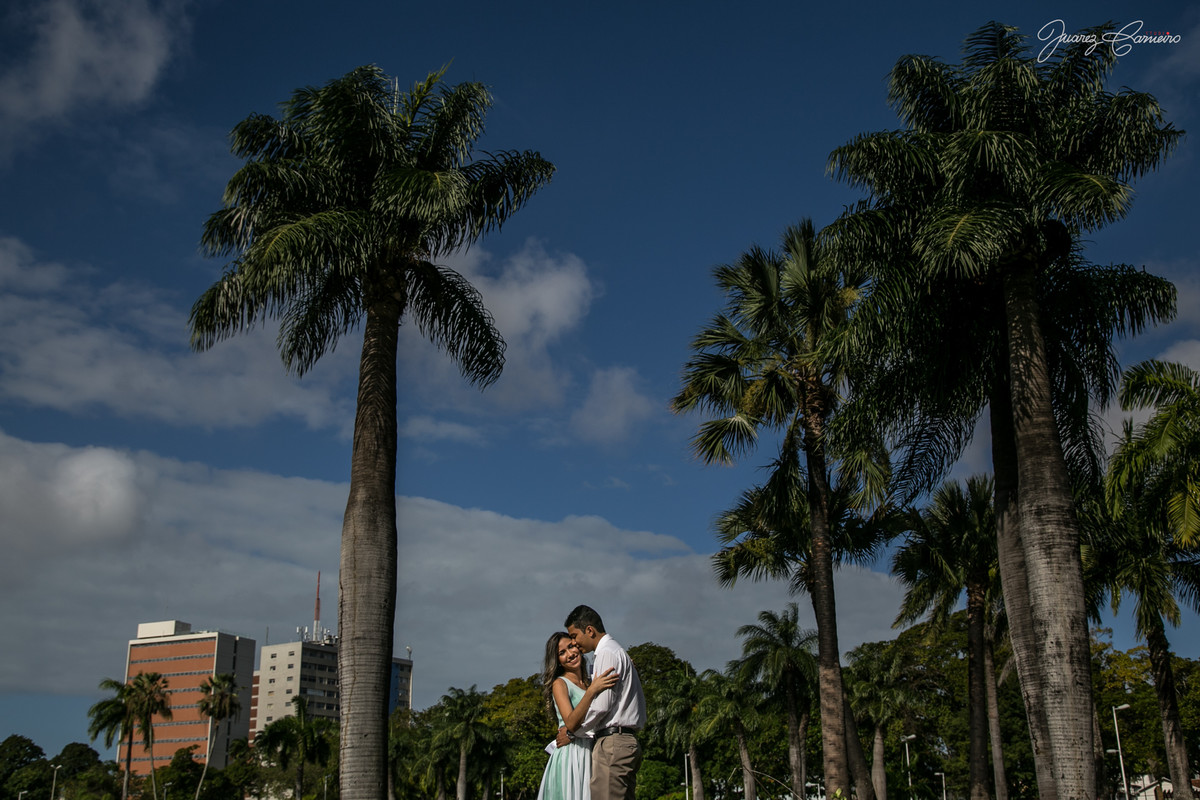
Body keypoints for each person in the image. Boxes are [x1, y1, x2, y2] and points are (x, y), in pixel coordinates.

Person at [561, 605, 646, 800]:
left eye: (574, 636)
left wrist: (574, 733)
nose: (574, 643)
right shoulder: (614, 651)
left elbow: (601, 706)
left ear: (589, 630)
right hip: (622, 741)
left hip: (613, 744)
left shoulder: (607, 653)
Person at [537, 631, 619, 800]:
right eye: (562, 653)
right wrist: (591, 691)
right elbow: (570, 721)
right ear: (557, 661)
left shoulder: (591, 680)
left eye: (571, 646)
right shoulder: (560, 684)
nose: (570, 654)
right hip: (571, 756)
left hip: (592, 752)